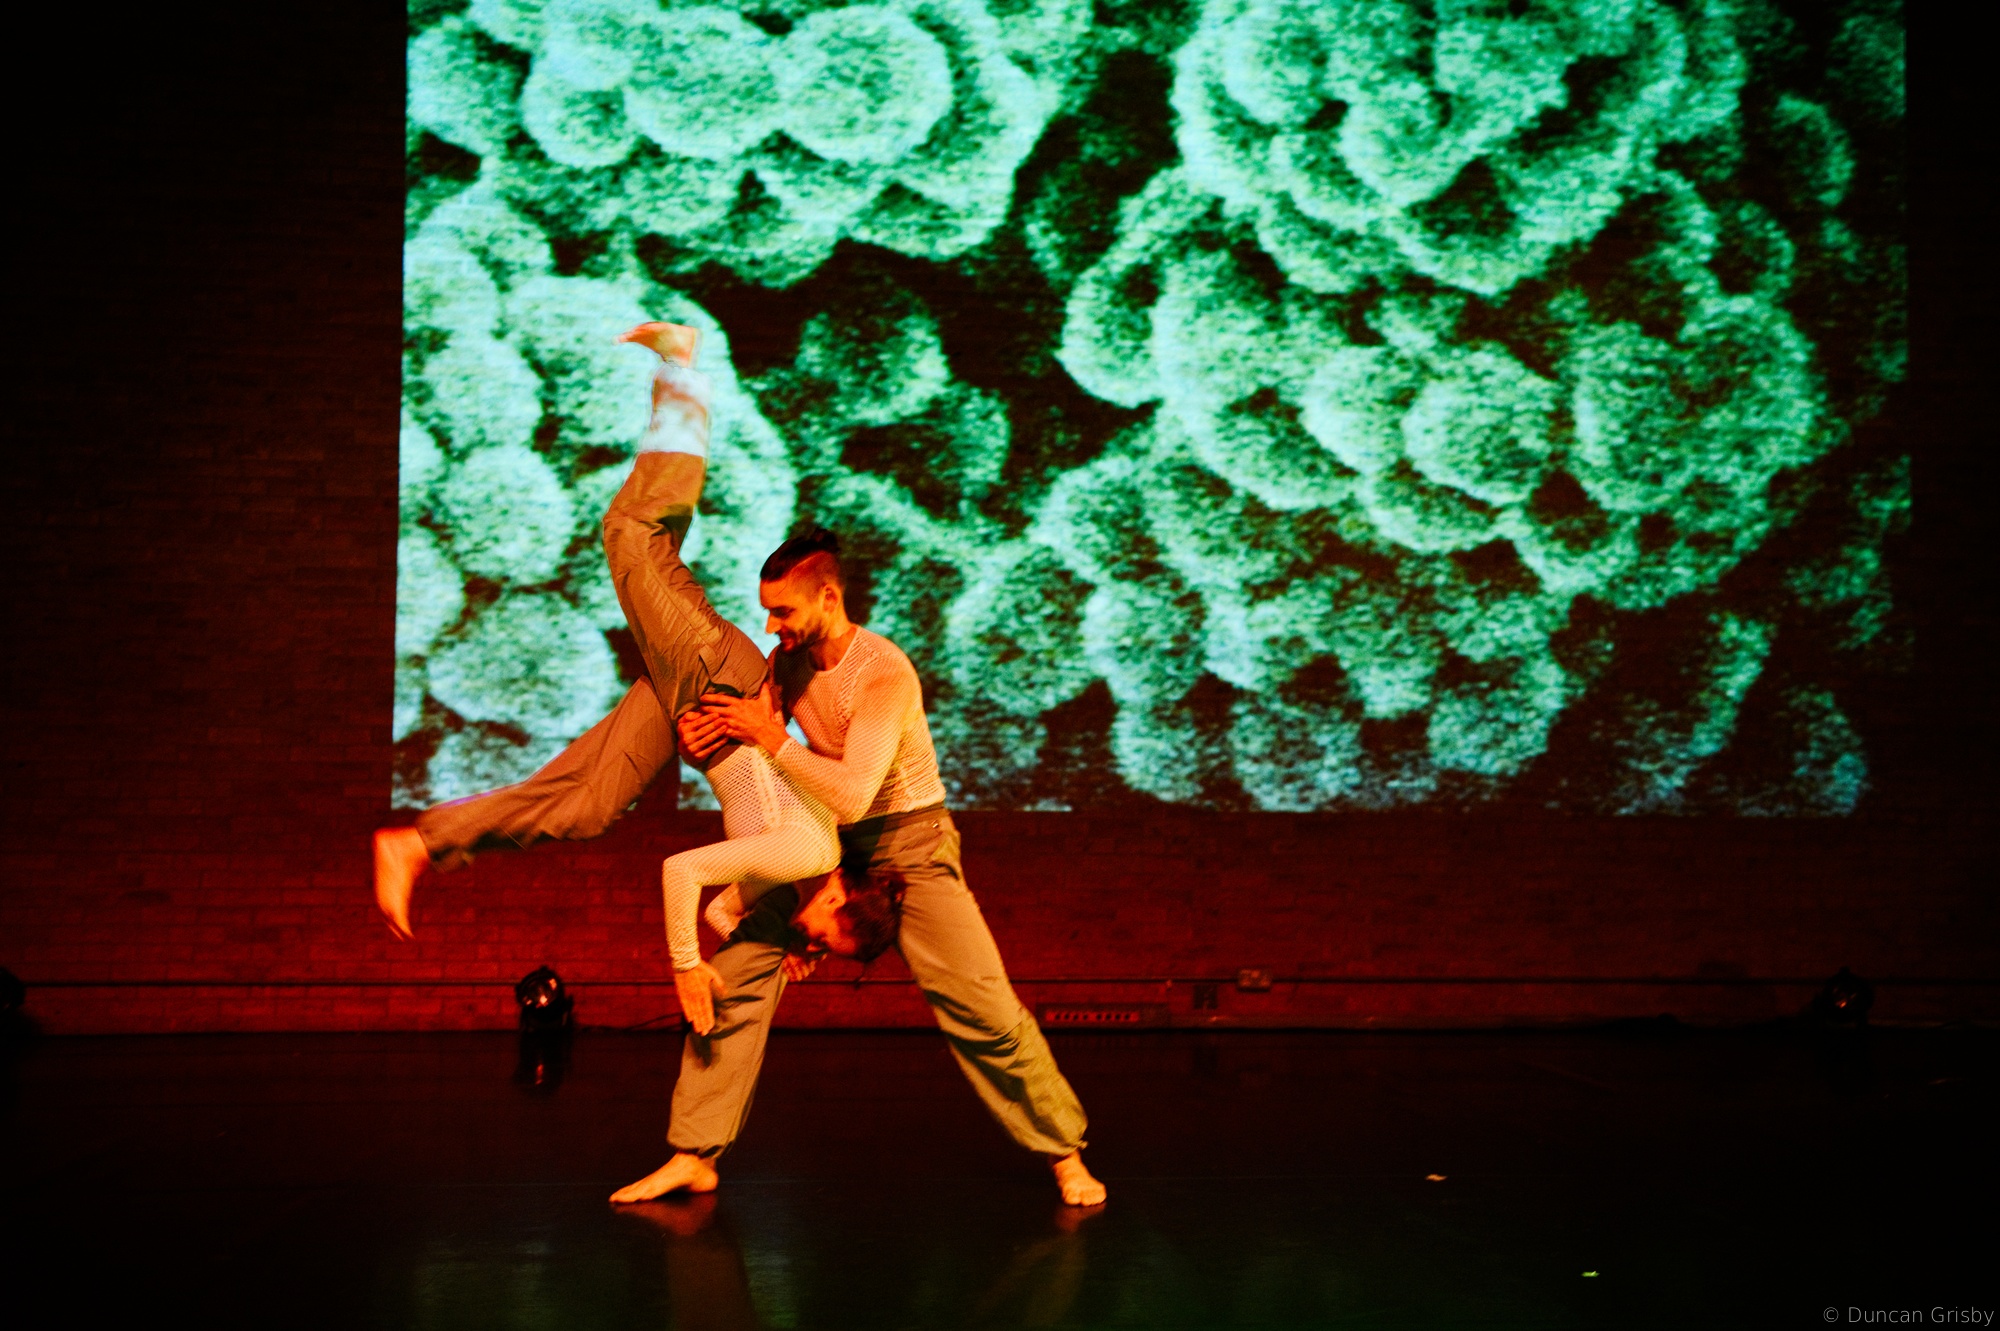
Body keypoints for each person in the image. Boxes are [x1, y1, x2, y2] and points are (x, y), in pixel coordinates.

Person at [372, 322, 845, 1033]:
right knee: (633, 533)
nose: (817, 938)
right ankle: (680, 368)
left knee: (588, 806)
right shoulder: (815, 848)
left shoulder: (777, 876)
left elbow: (720, 909)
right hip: (718, 677)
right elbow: (688, 868)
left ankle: (417, 842)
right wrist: (687, 965)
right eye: (827, 934)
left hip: (699, 715)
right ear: (840, 898)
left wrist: (777, 953)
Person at [618, 533, 1108, 1207]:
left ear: (829, 596)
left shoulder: (883, 674)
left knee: (983, 1007)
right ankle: (694, 1153)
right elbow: (754, 752)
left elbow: (852, 791)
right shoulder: (786, 664)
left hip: (911, 844)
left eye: (783, 612)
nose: (772, 626)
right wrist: (699, 742)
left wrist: (772, 737)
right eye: (767, 612)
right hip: (828, 843)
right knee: (733, 978)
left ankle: (1064, 1151)